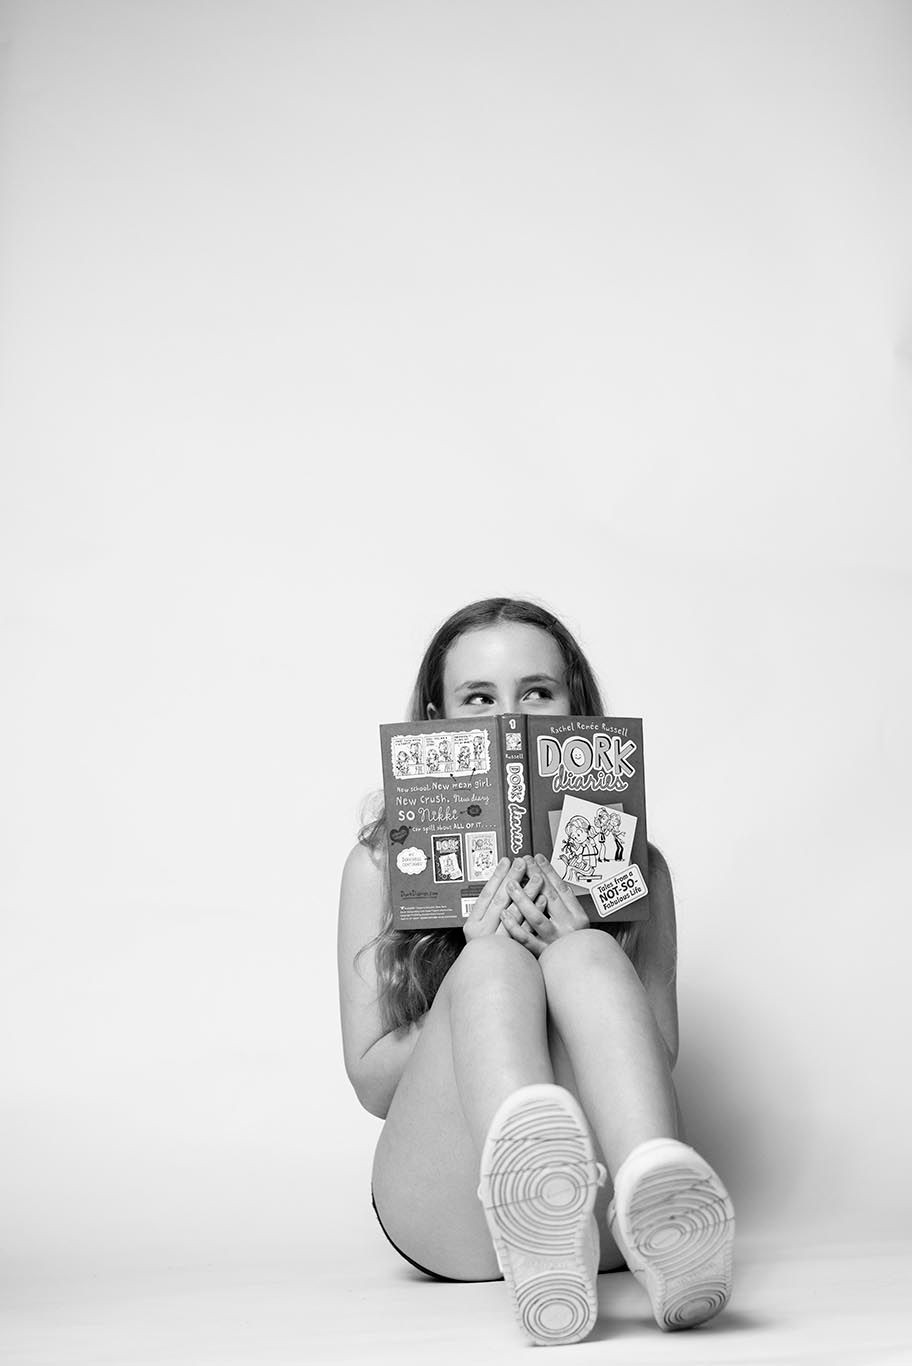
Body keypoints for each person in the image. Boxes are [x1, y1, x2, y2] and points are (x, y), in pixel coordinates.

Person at [337, 598, 734, 1346]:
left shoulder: (636, 868)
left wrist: (576, 946)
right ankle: (527, 1205)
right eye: (478, 698)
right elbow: (372, 1087)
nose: (507, 715)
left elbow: (663, 1055)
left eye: (536, 691)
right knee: (492, 964)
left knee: (585, 952)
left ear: (572, 706)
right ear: (438, 715)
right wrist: (480, 957)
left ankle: (658, 1200)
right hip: (447, 1209)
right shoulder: (381, 866)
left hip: (604, 1222)